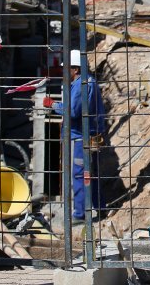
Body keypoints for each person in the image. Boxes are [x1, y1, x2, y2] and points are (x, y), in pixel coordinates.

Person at [43, 49, 107, 222]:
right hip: (86, 134)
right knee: (89, 173)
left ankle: (79, 215)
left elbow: (73, 111)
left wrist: (54, 105)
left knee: (80, 175)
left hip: (83, 136)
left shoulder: (82, 85)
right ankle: (100, 207)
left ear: (76, 69)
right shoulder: (84, 83)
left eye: (67, 68)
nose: (64, 72)